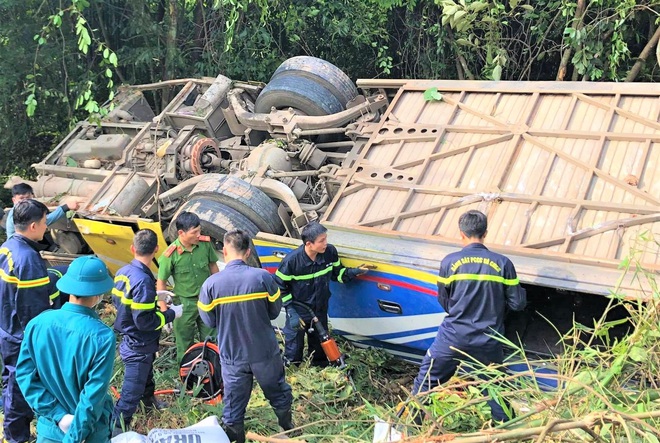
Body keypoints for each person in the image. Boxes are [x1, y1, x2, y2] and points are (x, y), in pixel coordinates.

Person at [411, 210, 527, 423]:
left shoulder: (449, 262)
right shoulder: (503, 263)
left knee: (425, 382)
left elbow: (444, 300)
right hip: (488, 339)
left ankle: (409, 427)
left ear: (461, 234)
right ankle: (504, 430)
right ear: (486, 233)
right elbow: (518, 304)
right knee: (494, 387)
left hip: (453, 337)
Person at [198, 230, 294, 443]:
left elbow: (209, 321)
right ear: (248, 251)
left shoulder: (211, 285)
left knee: (233, 406)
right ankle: (290, 431)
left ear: (224, 250)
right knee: (278, 393)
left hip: (233, 354)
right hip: (264, 351)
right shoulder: (263, 278)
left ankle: (235, 439)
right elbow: (274, 311)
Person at [15, 255, 115, 442]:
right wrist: (74, 436)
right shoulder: (102, 337)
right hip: (88, 434)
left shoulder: (38, 323)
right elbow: (92, 397)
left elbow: (24, 375)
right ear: (98, 294)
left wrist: (58, 414)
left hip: (50, 428)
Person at [112, 229, 183, 435]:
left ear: (133, 248)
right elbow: (144, 321)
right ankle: (117, 427)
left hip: (134, 339)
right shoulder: (143, 280)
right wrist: (171, 315)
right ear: (157, 250)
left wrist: (155, 296)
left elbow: (126, 301)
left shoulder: (124, 271)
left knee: (147, 375)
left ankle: (149, 402)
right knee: (131, 390)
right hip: (138, 343)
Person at [273, 222, 368, 366]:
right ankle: (292, 365)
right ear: (309, 244)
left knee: (319, 345)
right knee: (294, 345)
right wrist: (290, 310)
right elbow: (279, 286)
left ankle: (318, 365)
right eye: (321, 241)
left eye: (326, 239)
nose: (326, 243)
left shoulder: (329, 253)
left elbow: (339, 275)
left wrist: (355, 272)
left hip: (320, 308)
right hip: (299, 310)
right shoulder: (292, 261)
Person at [0, 199, 51, 442]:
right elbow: (34, 310)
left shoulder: (8, 246)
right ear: (32, 226)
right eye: (44, 223)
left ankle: (13, 427)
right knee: (21, 386)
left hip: (6, 327)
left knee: (11, 379)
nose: (46, 228)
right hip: (21, 336)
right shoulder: (28, 260)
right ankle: (16, 436)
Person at [157, 212, 219, 362]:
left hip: (206, 301)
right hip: (184, 305)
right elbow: (161, 283)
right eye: (194, 232)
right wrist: (164, 312)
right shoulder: (170, 255)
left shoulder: (205, 245)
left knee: (211, 340)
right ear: (181, 233)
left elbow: (213, 267)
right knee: (184, 344)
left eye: (199, 230)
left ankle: (212, 373)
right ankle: (187, 377)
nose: (198, 235)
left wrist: (219, 294)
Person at [4, 183, 79, 238]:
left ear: (32, 196)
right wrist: (65, 207)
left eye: (28, 198)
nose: (25, 201)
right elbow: (43, 221)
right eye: (21, 198)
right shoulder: (19, 213)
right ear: (14, 200)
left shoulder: (25, 208)